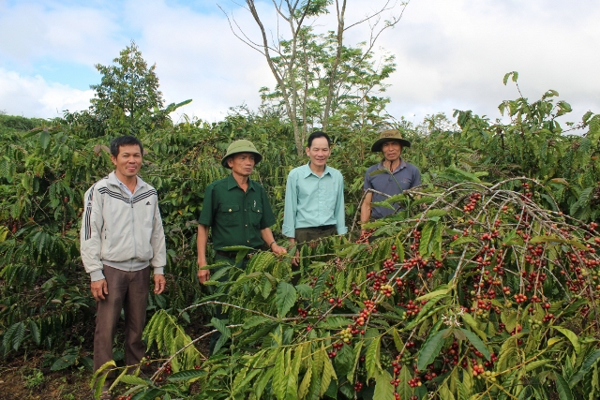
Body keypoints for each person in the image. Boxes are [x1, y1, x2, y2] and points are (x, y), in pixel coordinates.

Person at [80, 135, 166, 399]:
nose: (132, 160)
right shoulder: (100, 190)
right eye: (126, 156)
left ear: (142, 158)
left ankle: (135, 371)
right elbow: (89, 232)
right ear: (114, 158)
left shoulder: (149, 192)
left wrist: (158, 267)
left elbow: (157, 231)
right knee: (105, 328)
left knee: (136, 325)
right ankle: (103, 381)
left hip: (140, 269)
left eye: (136, 155)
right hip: (111, 269)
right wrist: (95, 272)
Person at [196, 139, 286, 284]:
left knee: (253, 304)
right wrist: (202, 263)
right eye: (243, 158)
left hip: (255, 262)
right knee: (226, 303)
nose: (249, 163)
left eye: (251, 158)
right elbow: (203, 226)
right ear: (230, 162)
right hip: (226, 264)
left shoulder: (258, 191)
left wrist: (274, 245)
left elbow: (263, 226)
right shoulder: (216, 190)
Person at [282, 131, 346, 267]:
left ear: (329, 152)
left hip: (330, 234)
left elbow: (339, 208)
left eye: (324, 149)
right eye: (316, 149)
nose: (320, 154)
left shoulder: (336, 176)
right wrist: (291, 242)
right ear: (308, 151)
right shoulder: (296, 175)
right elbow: (290, 208)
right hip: (304, 234)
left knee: (329, 278)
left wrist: (341, 239)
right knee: (302, 277)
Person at [361, 129, 421, 231]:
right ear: (381, 149)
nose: (391, 149)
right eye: (386, 145)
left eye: (394, 144)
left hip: (403, 226)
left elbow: (417, 201)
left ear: (401, 147)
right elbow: (366, 204)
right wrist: (364, 233)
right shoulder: (372, 171)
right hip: (377, 226)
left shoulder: (412, 171)